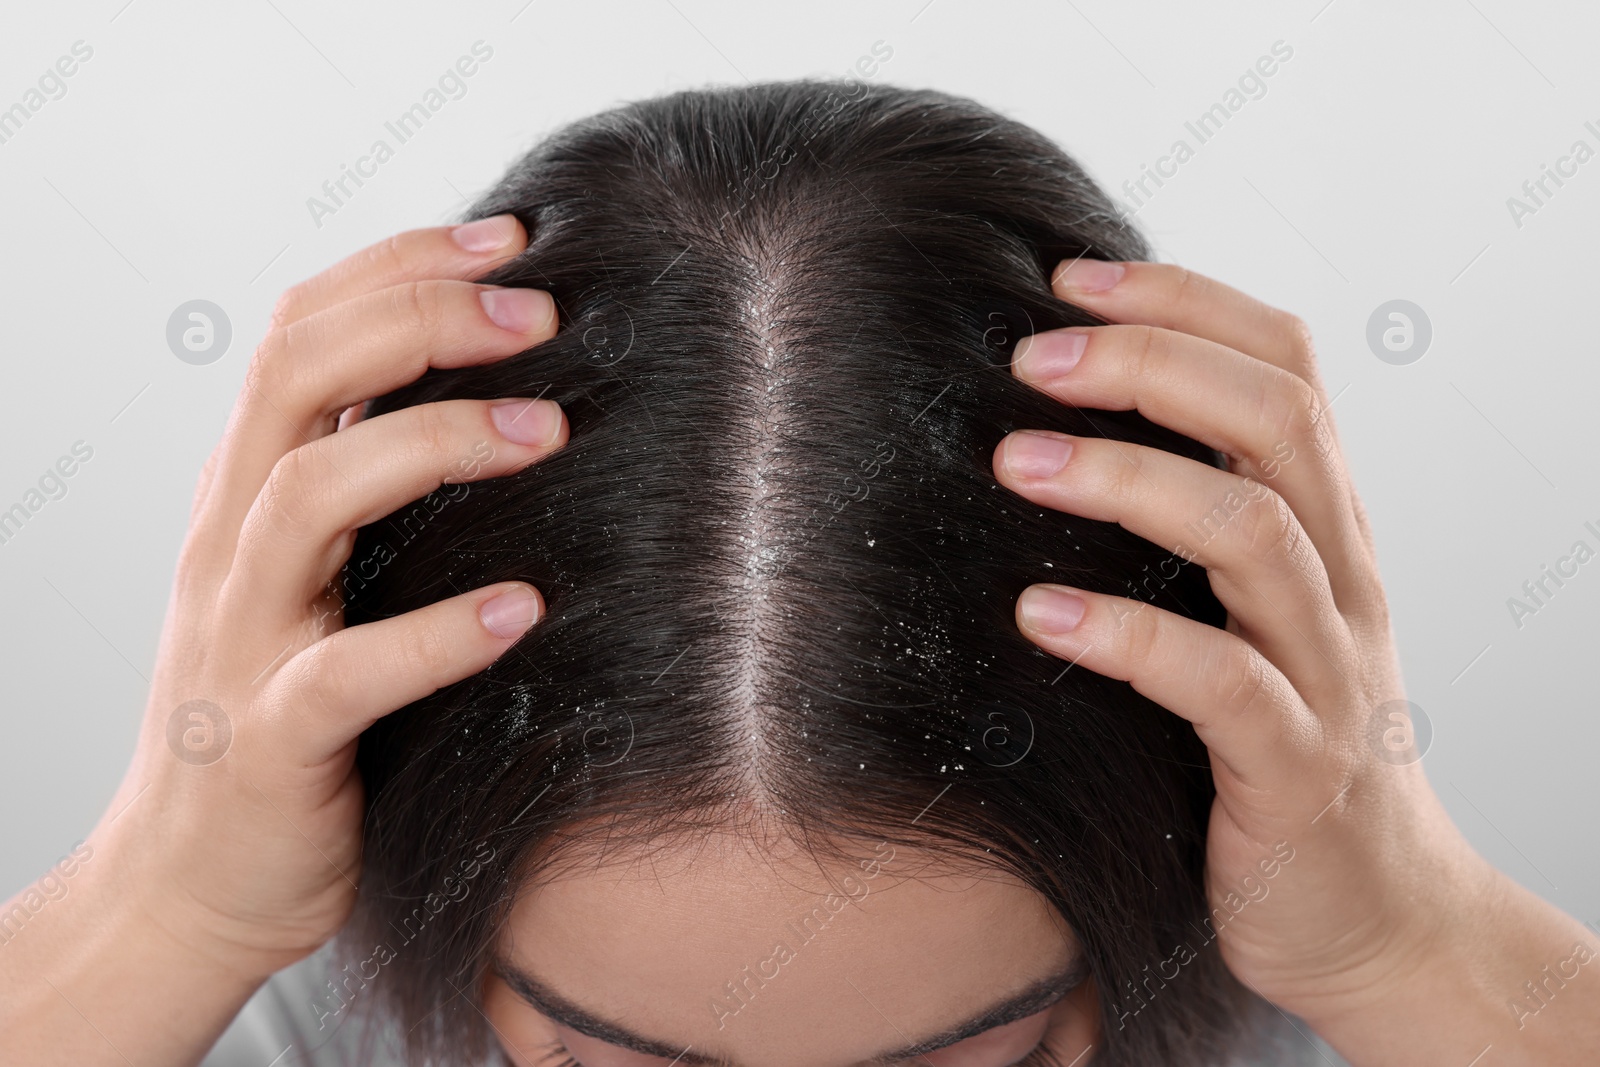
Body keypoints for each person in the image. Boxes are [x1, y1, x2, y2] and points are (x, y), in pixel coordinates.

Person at [2, 81, 1595, 1067]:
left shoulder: (1352, 1016)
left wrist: (1411, 957)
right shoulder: (259, 1018)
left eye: (977, 1066)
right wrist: (157, 919)